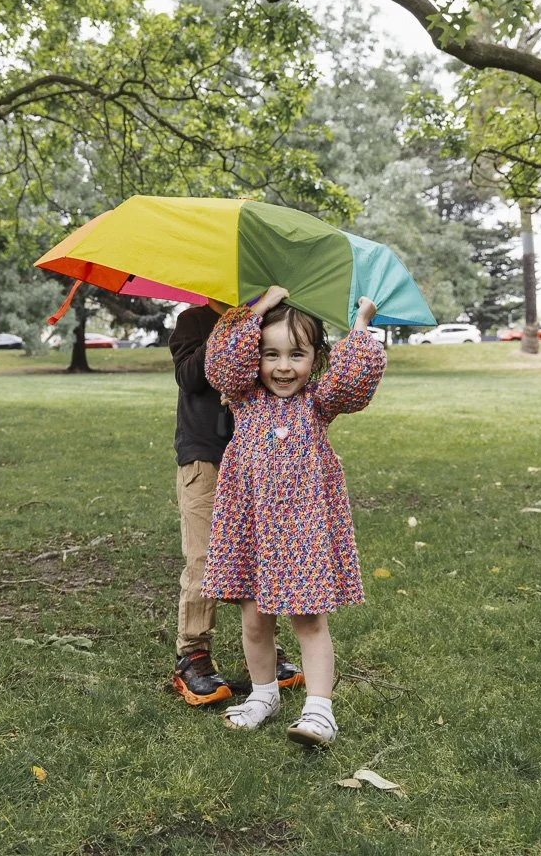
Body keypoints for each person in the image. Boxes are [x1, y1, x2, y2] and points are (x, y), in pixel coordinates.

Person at [201, 287, 386, 745]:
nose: (283, 367)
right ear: (255, 358)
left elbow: (354, 380)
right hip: (251, 525)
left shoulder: (318, 403)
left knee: (309, 619)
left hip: (303, 529)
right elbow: (221, 359)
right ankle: (264, 694)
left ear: (316, 359)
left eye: (297, 355)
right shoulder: (242, 396)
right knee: (253, 617)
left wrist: (360, 325)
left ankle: (320, 710)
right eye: (271, 354)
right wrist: (258, 309)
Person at [169, 299, 305, 706]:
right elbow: (191, 377)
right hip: (205, 454)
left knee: (262, 554)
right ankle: (192, 654)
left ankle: (264, 652)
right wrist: (238, 326)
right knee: (205, 557)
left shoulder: (272, 318)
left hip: (257, 455)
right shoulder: (192, 320)